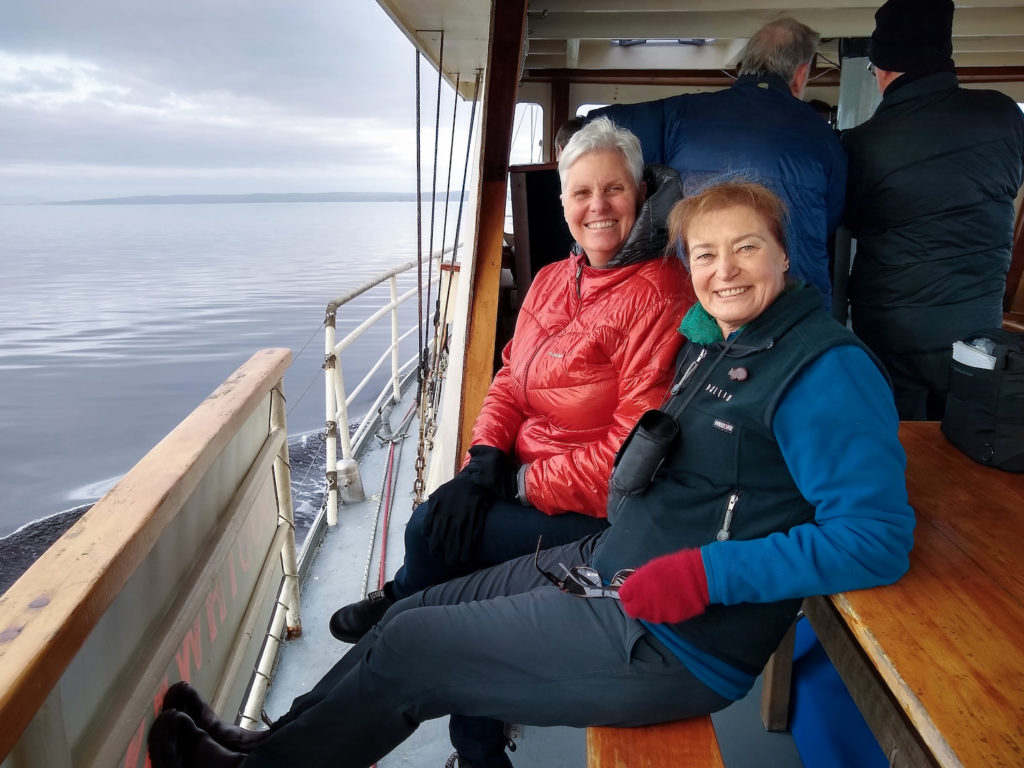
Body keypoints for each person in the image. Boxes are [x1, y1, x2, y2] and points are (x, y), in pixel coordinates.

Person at [147, 181, 915, 768]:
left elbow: (874, 540)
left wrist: (704, 574)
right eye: (705, 254)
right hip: (608, 567)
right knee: (408, 616)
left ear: (785, 253)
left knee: (417, 656)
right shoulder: (722, 341)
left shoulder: (823, 370)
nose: (723, 271)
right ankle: (268, 744)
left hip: (674, 639)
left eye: (746, 248)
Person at [328, 117, 695, 650]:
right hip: (524, 476)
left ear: (640, 194)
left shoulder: (660, 293)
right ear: (563, 202)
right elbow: (509, 381)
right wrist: (483, 460)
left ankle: (402, 611)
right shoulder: (551, 279)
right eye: (582, 192)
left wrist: (513, 486)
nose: (598, 205)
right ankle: (438, 667)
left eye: (614, 189)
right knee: (444, 525)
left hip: (595, 511)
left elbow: (627, 458)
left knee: (435, 534)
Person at [842, 0, 1024, 420]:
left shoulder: (864, 143)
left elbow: (852, 221)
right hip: (978, 320)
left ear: (882, 69)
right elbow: (1008, 183)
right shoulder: (1002, 113)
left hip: (892, 327)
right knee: (969, 440)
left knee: (899, 440)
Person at [589, 17, 846, 310]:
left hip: (707, 295)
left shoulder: (682, 114)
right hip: (799, 303)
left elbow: (597, 126)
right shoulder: (823, 135)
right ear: (800, 74)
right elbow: (832, 218)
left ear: (744, 65)